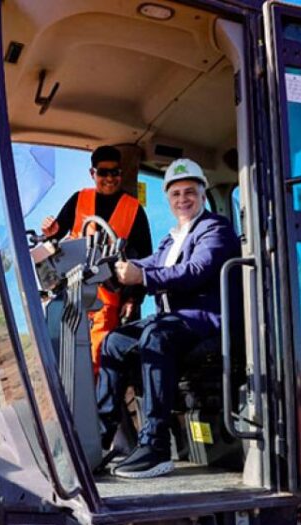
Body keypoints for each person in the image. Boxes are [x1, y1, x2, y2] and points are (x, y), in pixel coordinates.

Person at [94, 158, 240, 478]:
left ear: (202, 196)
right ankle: (99, 438)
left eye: (190, 192)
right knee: (114, 341)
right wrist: (115, 270)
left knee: (156, 336)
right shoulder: (172, 238)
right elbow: (148, 264)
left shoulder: (215, 228)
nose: (183, 199)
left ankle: (155, 445)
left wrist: (142, 278)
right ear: (169, 200)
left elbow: (196, 270)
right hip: (174, 320)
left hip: (205, 319)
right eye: (175, 194)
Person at [41, 145, 152, 373]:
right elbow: (55, 234)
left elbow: (144, 258)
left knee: (97, 359)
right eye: (103, 172)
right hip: (72, 294)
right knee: (65, 358)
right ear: (93, 174)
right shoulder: (79, 199)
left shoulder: (134, 210)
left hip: (108, 300)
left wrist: (133, 299)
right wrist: (50, 232)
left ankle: (95, 407)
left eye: (115, 172)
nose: (110, 178)